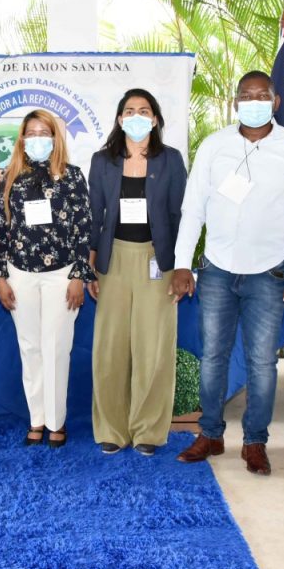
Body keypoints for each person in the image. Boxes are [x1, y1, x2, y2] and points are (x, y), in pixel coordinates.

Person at [173, 71, 284, 475]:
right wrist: (183, 263)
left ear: (275, 102)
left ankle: (255, 442)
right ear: (235, 102)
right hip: (218, 272)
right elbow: (194, 209)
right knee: (212, 359)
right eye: (246, 95)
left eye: (262, 95)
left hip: (269, 274)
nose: (254, 101)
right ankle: (211, 434)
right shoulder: (214, 146)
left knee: (261, 364)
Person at [88, 89, 187, 457]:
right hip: (112, 261)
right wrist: (91, 269)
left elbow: (181, 217)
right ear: (118, 119)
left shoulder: (171, 160)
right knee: (109, 349)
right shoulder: (102, 162)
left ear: (156, 119)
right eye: (129, 110)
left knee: (153, 348)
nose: (136, 116)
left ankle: (148, 429)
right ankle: (112, 428)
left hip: (157, 261)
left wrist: (180, 266)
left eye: (144, 111)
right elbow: (94, 216)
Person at [0, 109, 94, 448]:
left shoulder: (73, 176)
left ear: (55, 138)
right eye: (31, 132)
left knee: (57, 349)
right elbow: (0, 233)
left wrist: (80, 275)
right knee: (31, 348)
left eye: (44, 132)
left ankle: (56, 422)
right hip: (20, 274)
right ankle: (36, 420)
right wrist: (0, 277)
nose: (37, 138)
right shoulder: (8, 177)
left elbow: (84, 229)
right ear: (22, 138)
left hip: (62, 277)